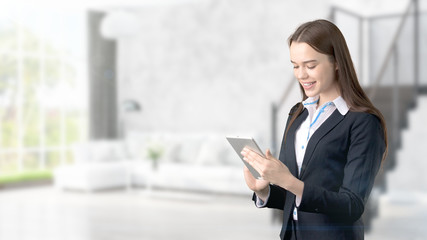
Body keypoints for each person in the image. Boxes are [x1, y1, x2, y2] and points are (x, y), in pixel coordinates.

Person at [240, 19, 387, 240]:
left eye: (310, 66)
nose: (301, 75)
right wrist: (264, 189)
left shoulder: (363, 122)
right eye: (295, 65)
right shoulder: (297, 114)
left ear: (337, 62)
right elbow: (296, 197)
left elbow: (352, 205)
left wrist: (288, 181)